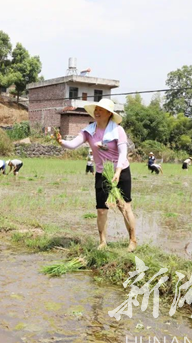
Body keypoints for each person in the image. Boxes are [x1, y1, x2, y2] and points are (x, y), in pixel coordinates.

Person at [54, 98, 137, 252]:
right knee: (101, 209)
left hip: (121, 171)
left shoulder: (118, 130)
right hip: (102, 173)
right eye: (96, 110)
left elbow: (123, 152)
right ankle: (102, 242)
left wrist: (118, 171)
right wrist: (61, 141)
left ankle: (132, 240)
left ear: (109, 114)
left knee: (124, 207)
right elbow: (73, 144)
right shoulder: (89, 131)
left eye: (101, 110)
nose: (97, 112)